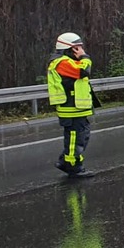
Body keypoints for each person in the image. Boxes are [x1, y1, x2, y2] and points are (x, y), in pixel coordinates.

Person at [48, 32, 98, 178]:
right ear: (69, 48)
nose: (80, 50)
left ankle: (65, 161)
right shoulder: (62, 62)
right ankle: (73, 167)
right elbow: (83, 71)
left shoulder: (68, 62)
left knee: (81, 137)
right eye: (77, 48)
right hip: (71, 108)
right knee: (75, 140)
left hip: (77, 108)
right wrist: (85, 57)